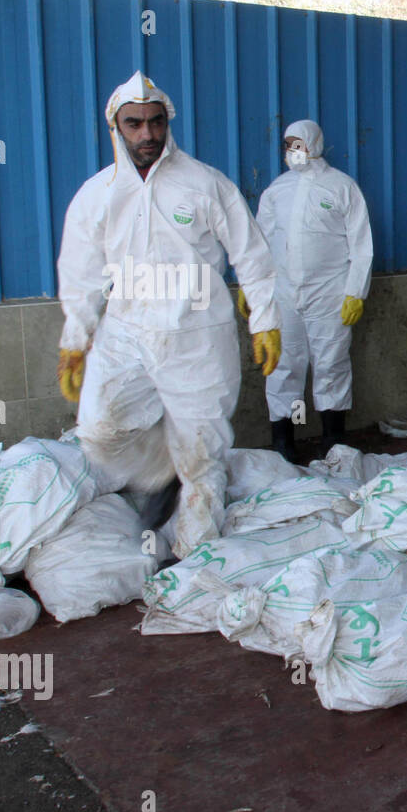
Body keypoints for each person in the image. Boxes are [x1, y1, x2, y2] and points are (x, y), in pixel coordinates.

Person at [56, 71, 281, 558]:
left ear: (168, 122)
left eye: (155, 123)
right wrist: (76, 340)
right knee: (98, 432)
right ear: (115, 125)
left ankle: (196, 557)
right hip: (125, 329)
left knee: (202, 450)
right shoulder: (97, 195)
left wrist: (265, 320)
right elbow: (80, 272)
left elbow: (252, 253)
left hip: (197, 331)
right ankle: (162, 473)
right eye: (134, 124)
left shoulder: (204, 184)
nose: (147, 135)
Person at [248, 120, 373, 461]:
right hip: (283, 293)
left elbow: (361, 245)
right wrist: (253, 287)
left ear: (315, 144)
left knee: (330, 363)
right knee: (282, 364)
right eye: (288, 145)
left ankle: (332, 441)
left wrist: (355, 292)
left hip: (330, 295)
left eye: (298, 144)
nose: (292, 151)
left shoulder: (342, 187)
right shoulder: (277, 189)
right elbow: (260, 241)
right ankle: (283, 442)